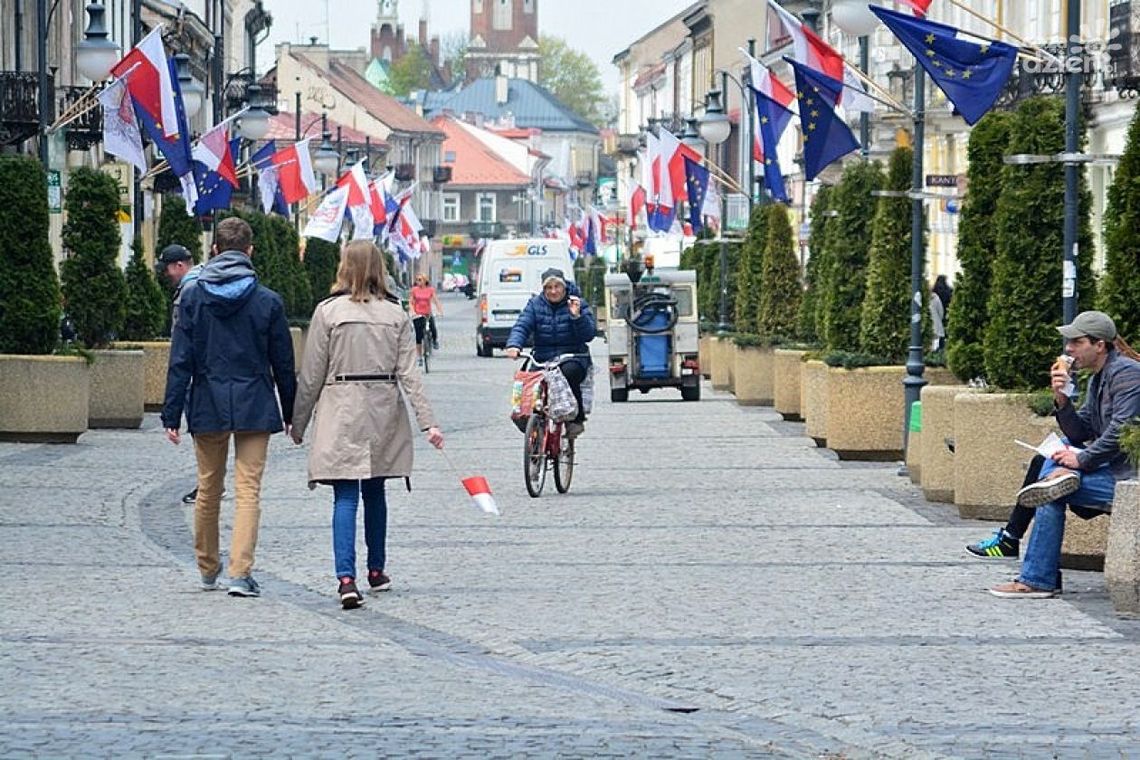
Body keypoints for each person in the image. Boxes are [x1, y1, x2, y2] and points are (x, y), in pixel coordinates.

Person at [291, 241, 444, 610]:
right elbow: (410, 376)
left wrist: (298, 421)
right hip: (382, 406)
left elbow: (311, 374)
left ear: (344, 267)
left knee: (345, 494)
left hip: (341, 403)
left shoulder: (328, 312)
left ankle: (346, 578)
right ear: (379, 269)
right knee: (375, 491)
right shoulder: (396, 315)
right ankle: (377, 569)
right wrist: (429, 424)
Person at [161, 217, 296, 598]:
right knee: (248, 489)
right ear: (250, 251)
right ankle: (239, 572)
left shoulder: (192, 297)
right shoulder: (267, 301)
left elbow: (180, 359)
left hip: (208, 401)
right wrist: (291, 411)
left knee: (208, 488)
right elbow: (283, 363)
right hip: (254, 401)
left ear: (214, 250)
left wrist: (171, 413)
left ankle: (207, 568)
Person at [989, 311, 1140, 598]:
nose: (1068, 349)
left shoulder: (1127, 374)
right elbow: (1079, 432)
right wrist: (1061, 398)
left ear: (1100, 345)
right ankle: (1037, 577)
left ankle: (1038, 579)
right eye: (1068, 342)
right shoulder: (1098, 377)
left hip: (1130, 477)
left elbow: (1122, 430)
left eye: (1076, 342)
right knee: (1051, 475)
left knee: (1051, 489)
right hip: (1112, 471)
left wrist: (1080, 462)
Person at [504, 268, 596, 438]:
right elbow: (522, 325)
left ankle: (575, 419)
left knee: (569, 373)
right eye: (549, 288)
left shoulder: (577, 303)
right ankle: (531, 425)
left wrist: (577, 317)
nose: (553, 291)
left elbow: (589, 334)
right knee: (528, 383)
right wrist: (514, 345)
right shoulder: (535, 304)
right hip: (542, 357)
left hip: (572, 356)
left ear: (564, 287)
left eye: (557, 287)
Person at [156, 243, 211, 506]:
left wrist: (171, 413)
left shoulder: (189, 290)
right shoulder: (203, 282)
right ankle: (208, 483)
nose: (166, 274)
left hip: (197, 373)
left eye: (167, 268)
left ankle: (208, 484)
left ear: (180, 265)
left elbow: (181, 350)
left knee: (202, 434)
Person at [408, 272, 442, 360]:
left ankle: (434, 341)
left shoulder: (430, 290)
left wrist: (439, 311)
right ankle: (419, 356)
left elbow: (436, 301)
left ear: (425, 280)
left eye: (420, 280)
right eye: (417, 280)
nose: (418, 282)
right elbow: (411, 302)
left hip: (427, 313)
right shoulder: (414, 290)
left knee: (433, 327)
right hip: (418, 314)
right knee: (418, 336)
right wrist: (412, 311)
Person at [929, 275, 953, 353]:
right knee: (943, 332)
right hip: (945, 312)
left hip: (934, 315)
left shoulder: (934, 291)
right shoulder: (949, 290)